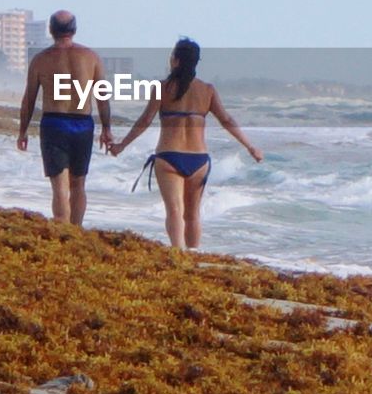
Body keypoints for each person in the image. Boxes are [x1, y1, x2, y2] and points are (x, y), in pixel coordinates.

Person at [110, 38, 262, 249]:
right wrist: (250, 146)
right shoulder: (207, 90)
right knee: (192, 215)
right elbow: (226, 120)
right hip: (199, 160)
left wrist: (121, 145)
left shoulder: (162, 88)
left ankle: (178, 255)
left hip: (169, 157)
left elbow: (145, 121)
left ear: (175, 60)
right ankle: (193, 257)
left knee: (174, 211)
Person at [17, 10, 113, 225]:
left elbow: (29, 99)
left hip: (54, 124)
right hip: (83, 124)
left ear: (51, 30)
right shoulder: (91, 57)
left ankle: (62, 228)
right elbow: (103, 98)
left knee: (60, 185)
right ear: (74, 30)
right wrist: (106, 129)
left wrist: (22, 131)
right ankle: (76, 230)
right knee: (78, 184)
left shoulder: (41, 60)